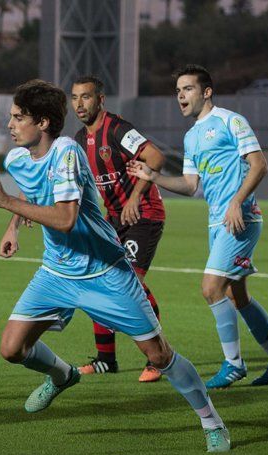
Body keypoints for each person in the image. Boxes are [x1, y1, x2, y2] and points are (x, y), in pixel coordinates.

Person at [0, 79, 229, 452]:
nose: (10, 125)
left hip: (105, 272)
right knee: (12, 349)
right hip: (56, 272)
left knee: (158, 355)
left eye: (17, 118)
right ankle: (63, 375)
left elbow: (65, 220)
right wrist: (13, 227)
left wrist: (4, 202)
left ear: (43, 122)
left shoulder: (67, 152)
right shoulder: (17, 159)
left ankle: (211, 421)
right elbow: (33, 189)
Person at [128, 64, 268, 389]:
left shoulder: (230, 121)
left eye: (187, 89)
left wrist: (236, 202)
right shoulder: (191, 137)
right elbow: (191, 185)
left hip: (240, 219)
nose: (180, 96)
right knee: (238, 297)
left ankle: (233, 365)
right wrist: (154, 178)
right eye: (177, 90)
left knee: (210, 288)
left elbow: (260, 165)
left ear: (206, 92)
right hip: (217, 222)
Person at [71, 75, 166, 382]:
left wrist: (135, 198)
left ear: (101, 100)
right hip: (113, 220)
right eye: (74, 98)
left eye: (86, 97)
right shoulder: (77, 140)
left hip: (143, 215)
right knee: (98, 282)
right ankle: (106, 359)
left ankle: (158, 357)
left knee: (130, 286)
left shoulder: (116, 129)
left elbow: (155, 157)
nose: (79, 104)